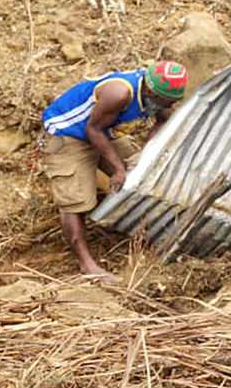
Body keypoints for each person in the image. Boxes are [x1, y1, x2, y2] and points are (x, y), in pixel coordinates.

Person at [41, 61, 187, 280]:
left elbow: (163, 119)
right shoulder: (119, 93)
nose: (167, 105)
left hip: (102, 130)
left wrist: (145, 155)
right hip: (67, 132)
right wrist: (118, 168)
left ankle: (145, 234)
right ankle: (86, 264)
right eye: (164, 101)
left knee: (140, 174)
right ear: (149, 90)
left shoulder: (160, 95)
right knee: (76, 200)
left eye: (173, 101)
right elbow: (93, 130)